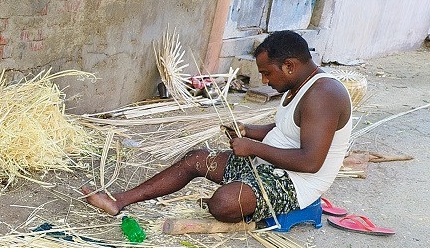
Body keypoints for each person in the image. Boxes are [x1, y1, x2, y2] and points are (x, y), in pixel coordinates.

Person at [82, 30, 352, 224]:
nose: (264, 79)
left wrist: (252, 147)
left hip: (296, 182)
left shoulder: (323, 95)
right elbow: (286, 129)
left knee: (223, 204)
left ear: (290, 66)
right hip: (271, 165)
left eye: (267, 72)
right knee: (197, 158)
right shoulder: (299, 85)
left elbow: (310, 162)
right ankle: (120, 200)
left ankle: (245, 200)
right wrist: (248, 131)